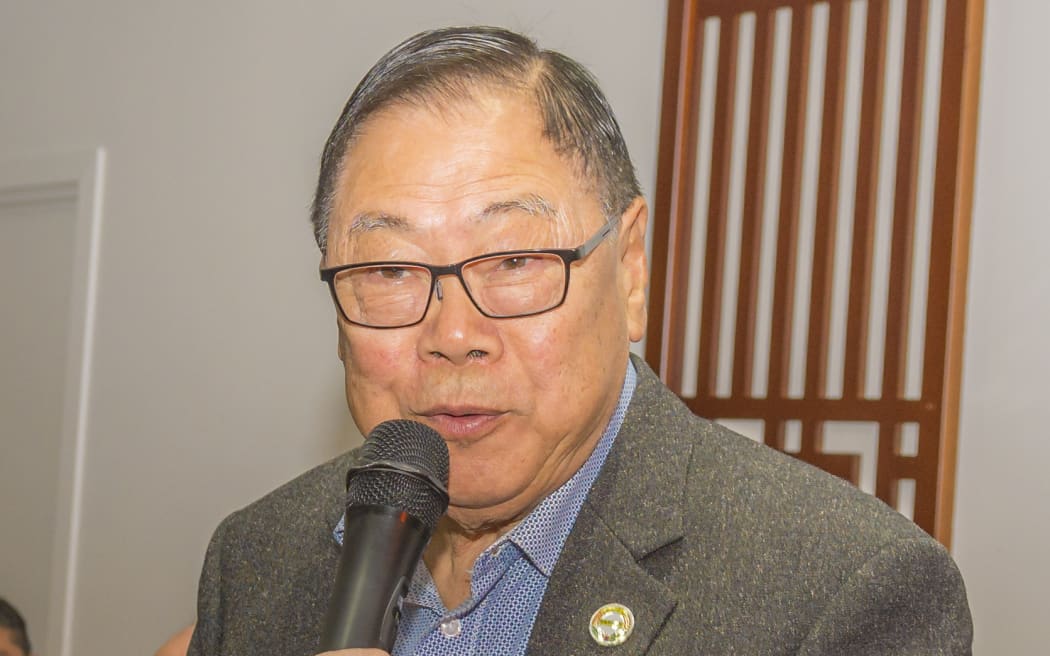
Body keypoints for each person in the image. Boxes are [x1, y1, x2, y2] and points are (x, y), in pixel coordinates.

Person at [187, 25, 972, 655]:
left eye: (514, 261)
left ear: (629, 271)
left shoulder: (839, 590)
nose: (453, 336)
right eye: (390, 269)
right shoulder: (254, 558)